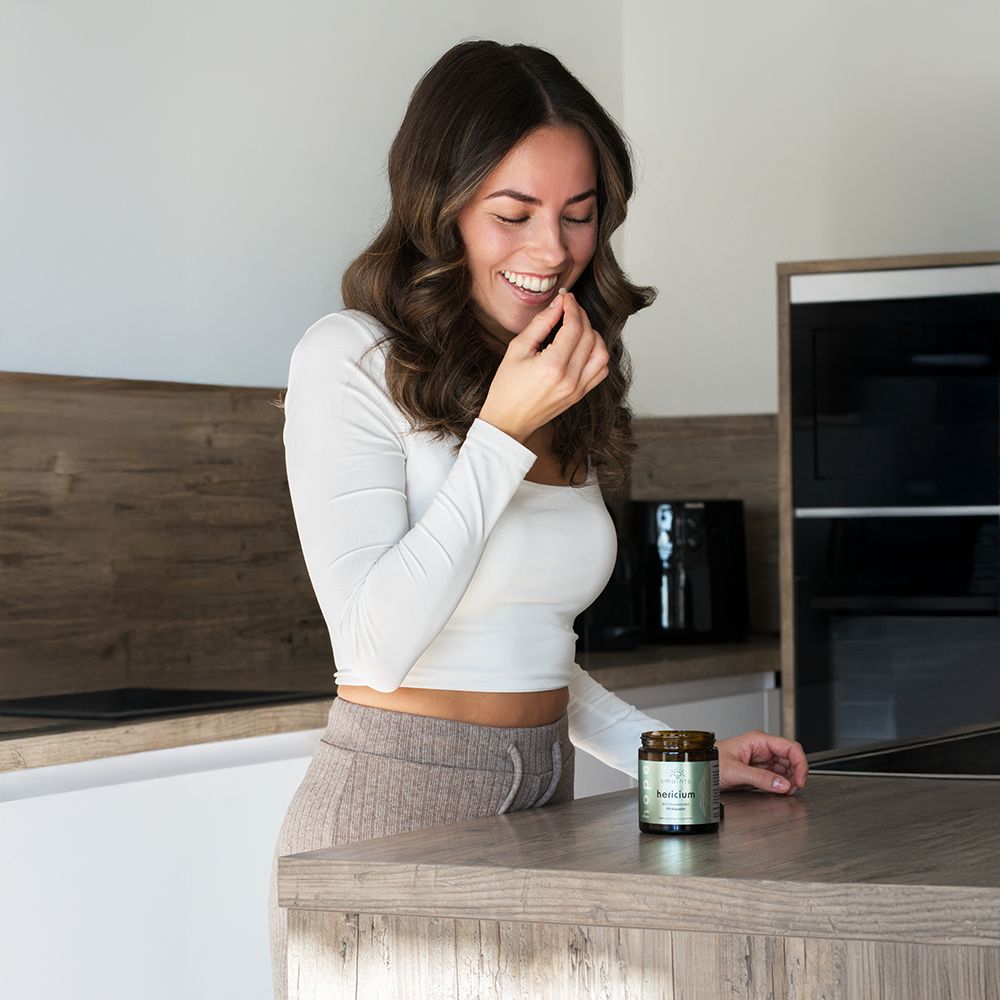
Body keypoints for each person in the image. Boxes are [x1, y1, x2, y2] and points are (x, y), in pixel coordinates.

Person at [267, 39, 807, 998]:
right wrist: (503, 434)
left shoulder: (556, 375)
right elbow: (374, 649)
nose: (552, 251)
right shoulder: (350, 359)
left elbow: (527, 651)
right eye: (512, 214)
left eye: (579, 214)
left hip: (544, 800)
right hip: (391, 810)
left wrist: (671, 757)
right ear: (439, 208)